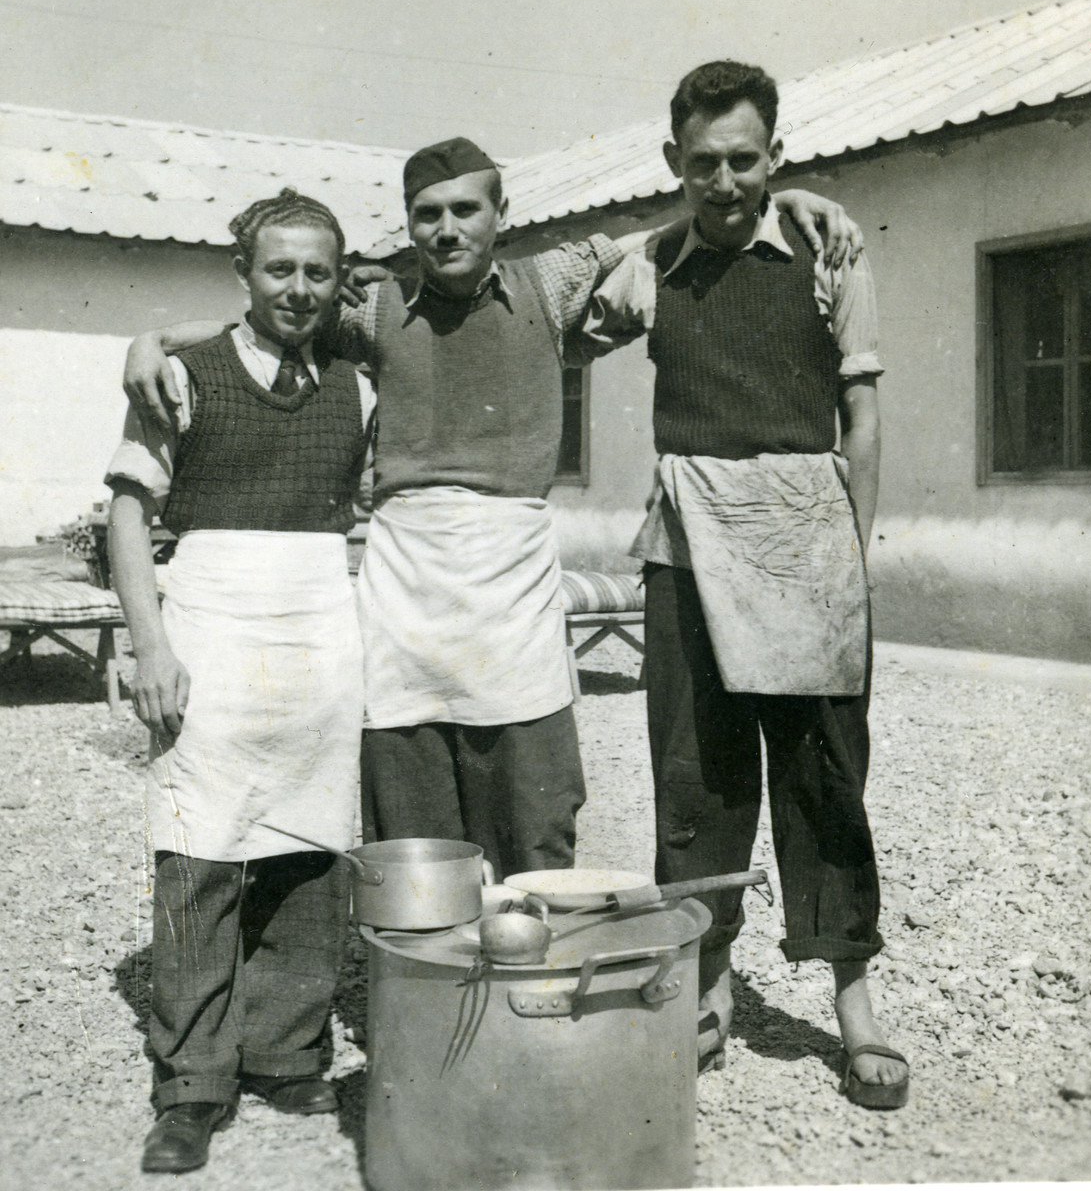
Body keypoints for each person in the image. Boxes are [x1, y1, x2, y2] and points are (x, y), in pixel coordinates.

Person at [121, 139, 862, 885]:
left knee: (536, 834)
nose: (447, 230)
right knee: (413, 850)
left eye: (466, 210)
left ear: (500, 213)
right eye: (427, 215)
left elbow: (668, 234)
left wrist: (783, 202)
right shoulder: (372, 307)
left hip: (515, 603)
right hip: (405, 606)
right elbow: (269, 322)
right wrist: (154, 340)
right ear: (408, 223)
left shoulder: (551, 282)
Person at [582, 60, 908, 1108]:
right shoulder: (651, 267)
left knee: (825, 777)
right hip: (687, 545)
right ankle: (710, 984)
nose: (724, 182)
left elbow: (862, 419)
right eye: (702, 164)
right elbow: (546, 319)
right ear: (672, 163)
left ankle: (853, 1002)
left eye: (745, 160)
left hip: (808, 543)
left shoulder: (830, 252)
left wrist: (852, 559)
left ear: (775, 154)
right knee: (696, 778)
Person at [106, 189, 376, 1173]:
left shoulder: (359, 387)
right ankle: (192, 1081)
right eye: (279, 268)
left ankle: (285, 1051)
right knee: (200, 854)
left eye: (317, 271)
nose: (298, 288)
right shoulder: (181, 377)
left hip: (317, 637)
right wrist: (151, 648)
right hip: (211, 631)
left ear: (338, 282)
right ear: (244, 275)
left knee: (308, 854)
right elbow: (127, 515)